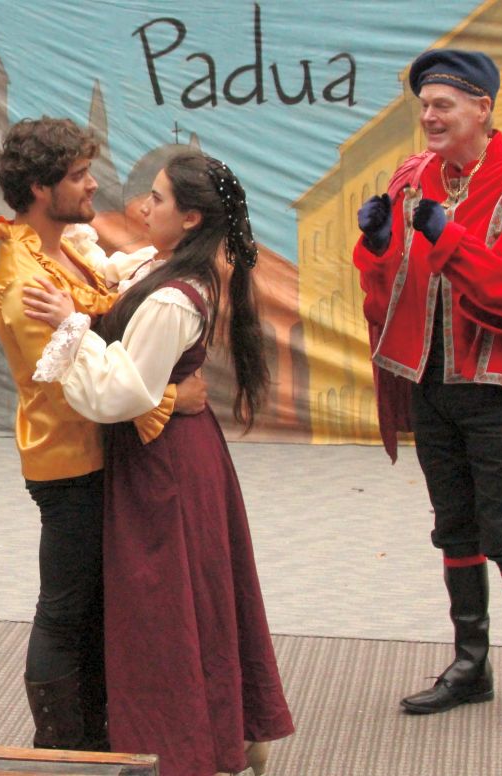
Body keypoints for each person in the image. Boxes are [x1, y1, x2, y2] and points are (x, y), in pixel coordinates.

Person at [22, 150, 293, 775]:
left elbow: (120, 393)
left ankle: (194, 744)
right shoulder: (161, 264)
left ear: (191, 218)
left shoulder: (175, 296)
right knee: (188, 596)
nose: (145, 205)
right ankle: (230, 729)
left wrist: (70, 327)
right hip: (170, 450)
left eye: (159, 198)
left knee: (167, 606)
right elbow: (110, 277)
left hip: (165, 463)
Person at [353, 49, 502, 732]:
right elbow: (387, 299)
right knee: (454, 527)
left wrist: (450, 239)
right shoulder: (412, 179)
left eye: (442, 105)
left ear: (482, 108)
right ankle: (470, 665)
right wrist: (379, 247)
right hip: (432, 386)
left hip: (500, 392)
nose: (428, 116)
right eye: (423, 105)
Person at [0, 117, 208, 752]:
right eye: (78, 175)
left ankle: (95, 735)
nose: (93, 185)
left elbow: (106, 307)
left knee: (96, 605)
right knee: (64, 610)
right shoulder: (27, 282)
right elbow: (81, 386)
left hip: (100, 452)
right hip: (69, 461)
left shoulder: (67, 248)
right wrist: (170, 397)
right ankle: (59, 745)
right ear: (40, 188)